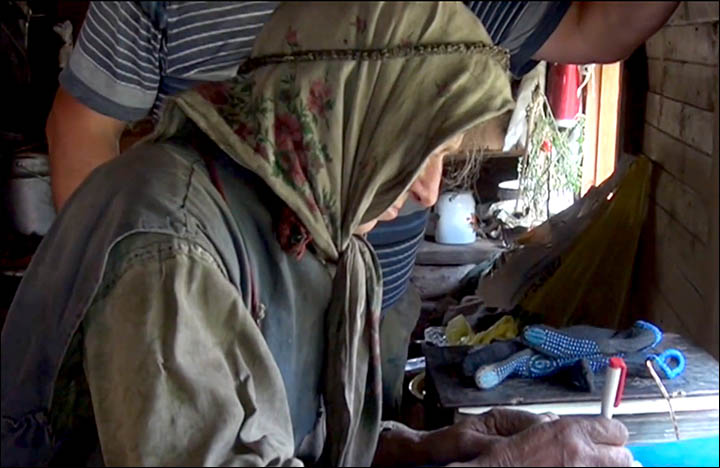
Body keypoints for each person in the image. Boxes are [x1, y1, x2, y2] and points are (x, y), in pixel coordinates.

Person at [2, 3, 636, 466]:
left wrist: (426, 450)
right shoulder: (171, 250)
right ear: (335, 111)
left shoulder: (318, 232)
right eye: (414, 150)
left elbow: (287, 437)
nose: (426, 192)